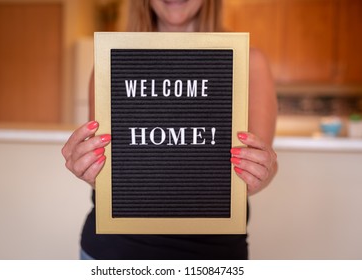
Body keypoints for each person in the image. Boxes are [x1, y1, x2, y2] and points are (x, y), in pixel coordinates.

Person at [62, 0, 278, 260]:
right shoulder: (112, 59)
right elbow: (108, 165)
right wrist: (91, 170)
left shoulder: (248, 61)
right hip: (115, 252)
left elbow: (265, 162)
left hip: (213, 255)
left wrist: (262, 170)